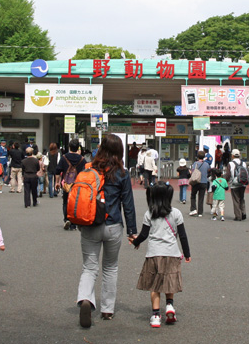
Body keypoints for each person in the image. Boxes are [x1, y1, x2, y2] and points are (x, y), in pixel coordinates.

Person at [76, 134, 138, 328]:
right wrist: (132, 231)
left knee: (89, 267)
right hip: (113, 225)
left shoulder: (89, 169)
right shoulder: (122, 173)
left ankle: (86, 298)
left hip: (90, 224)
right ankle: (107, 310)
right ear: (119, 151)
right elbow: (128, 204)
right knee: (110, 268)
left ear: (101, 148)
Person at [130, 181, 191, 328]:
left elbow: (144, 234)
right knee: (169, 282)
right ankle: (169, 306)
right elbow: (182, 235)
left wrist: (135, 241)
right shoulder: (176, 213)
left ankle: (156, 315)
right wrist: (187, 253)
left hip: (154, 254)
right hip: (172, 253)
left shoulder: (149, 213)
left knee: (154, 286)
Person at [56, 139, 85, 230]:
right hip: (78, 185)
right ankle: (74, 222)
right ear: (78, 148)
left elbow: (58, 170)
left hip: (66, 184)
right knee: (76, 202)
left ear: (69, 147)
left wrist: (57, 182)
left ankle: (66, 218)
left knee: (66, 202)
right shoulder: (82, 159)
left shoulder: (64, 158)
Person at [225, 149, 248, 221]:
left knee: (236, 200)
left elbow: (228, 175)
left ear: (232, 155)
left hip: (234, 184)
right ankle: (243, 213)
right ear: (239, 155)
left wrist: (226, 182)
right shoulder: (243, 163)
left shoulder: (230, 164)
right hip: (243, 183)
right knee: (242, 198)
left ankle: (238, 216)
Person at [188, 151, 210, 218]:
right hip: (204, 182)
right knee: (201, 197)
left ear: (197, 156)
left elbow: (193, 171)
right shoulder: (207, 164)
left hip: (196, 182)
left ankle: (193, 209)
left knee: (193, 195)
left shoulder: (195, 163)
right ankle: (200, 212)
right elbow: (209, 172)